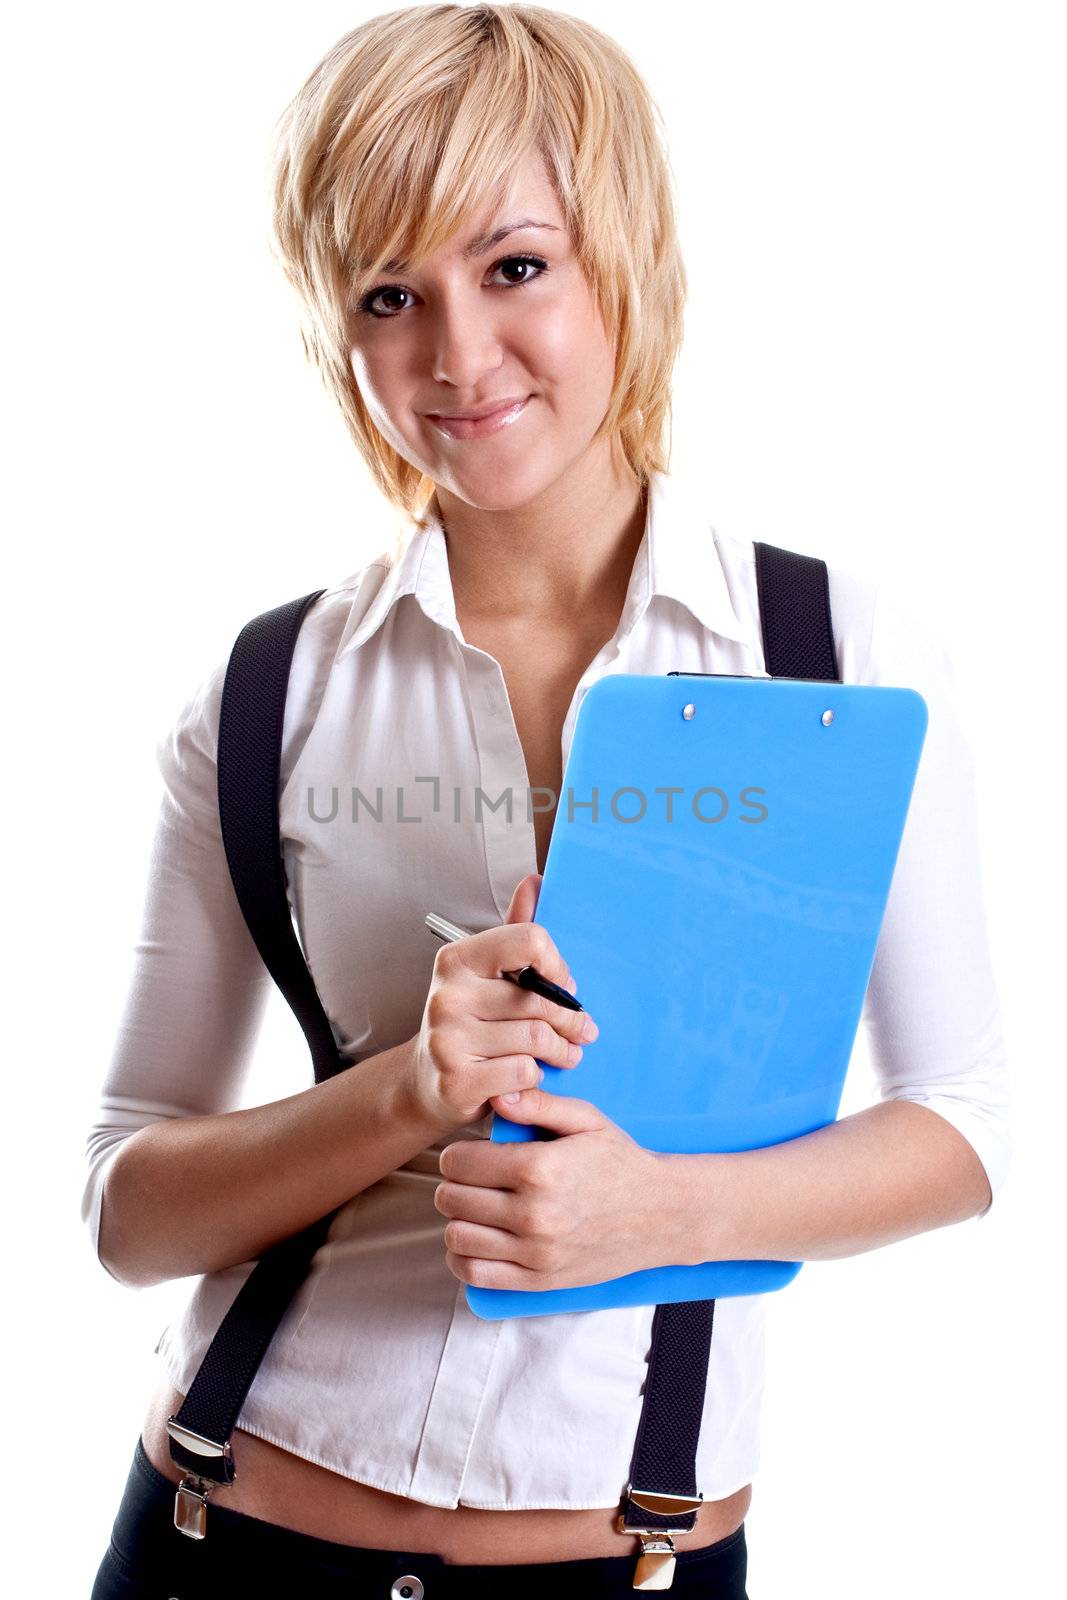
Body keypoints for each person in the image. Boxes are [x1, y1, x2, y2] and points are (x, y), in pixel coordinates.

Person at [83, 6, 1010, 1597]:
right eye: (390, 295)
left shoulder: (836, 662)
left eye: (515, 268)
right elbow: (129, 1204)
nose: (457, 354)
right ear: (334, 330)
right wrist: (404, 1091)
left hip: (627, 1562)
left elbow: (967, 1125)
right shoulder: (261, 698)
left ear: (622, 263)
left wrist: (660, 1211)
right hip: (220, 1532)